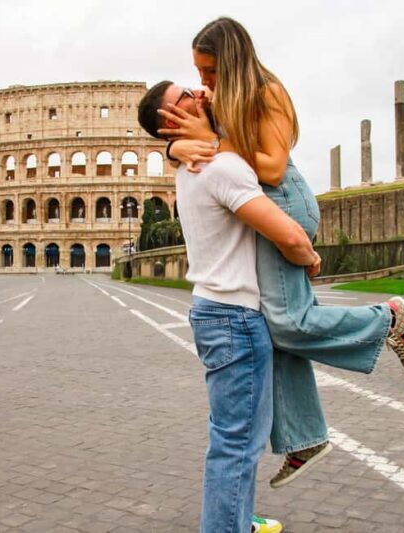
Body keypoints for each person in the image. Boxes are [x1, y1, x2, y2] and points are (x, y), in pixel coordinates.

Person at [155, 16, 404, 489]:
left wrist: (213, 142)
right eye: (198, 71)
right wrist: (178, 149)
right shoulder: (217, 98)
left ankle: (387, 320)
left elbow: (273, 168)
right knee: (267, 326)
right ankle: (304, 436)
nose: (203, 80)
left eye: (210, 70)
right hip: (254, 205)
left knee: (285, 323)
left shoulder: (268, 92)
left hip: (283, 202)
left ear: (232, 61)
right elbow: (179, 144)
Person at [139, 82, 317, 533]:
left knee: (234, 436)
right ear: (170, 121)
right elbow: (288, 233)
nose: (199, 94)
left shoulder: (191, 165)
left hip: (215, 311)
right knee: (238, 442)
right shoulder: (219, 167)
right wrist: (308, 255)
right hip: (236, 316)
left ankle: (235, 518)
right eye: (185, 96)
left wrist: (175, 147)